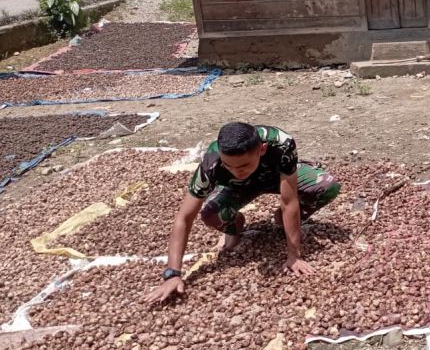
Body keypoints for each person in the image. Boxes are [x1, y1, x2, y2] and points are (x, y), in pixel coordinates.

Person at [141, 122, 340, 304]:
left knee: (327, 186)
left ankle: (282, 222)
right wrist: (172, 274)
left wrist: (294, 255)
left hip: (275, 177)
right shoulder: (211, 161)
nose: (237, 170)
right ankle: (235, 226)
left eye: (243, 165)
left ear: (261, 150)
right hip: (237, 188)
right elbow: (184, 218)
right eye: (229, 166)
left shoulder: (282, 144)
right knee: (210, 214)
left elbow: (289, 201)